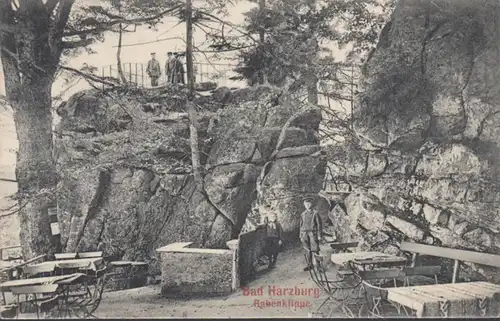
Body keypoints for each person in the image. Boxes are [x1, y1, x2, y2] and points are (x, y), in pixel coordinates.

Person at [299, 197, 323, 271]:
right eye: (306, 203)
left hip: (313, 233)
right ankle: (310, 265)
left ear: (311, 204)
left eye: (309, 203)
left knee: (315, 250)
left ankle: (319, 266)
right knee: (307, 250)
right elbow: (300, 225)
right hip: (304, 234)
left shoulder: (315, 213)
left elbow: (319, 225)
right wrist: (300, 235)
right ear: (304, 204)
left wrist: (319, 235)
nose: (307, 205)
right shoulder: (303, 214)